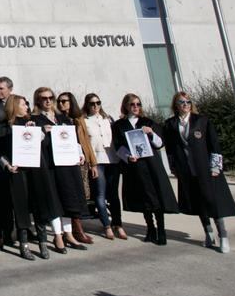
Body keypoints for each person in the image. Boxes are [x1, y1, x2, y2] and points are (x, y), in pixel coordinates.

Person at [163, 91, 235, 253]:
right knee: (198, 203)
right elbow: (170, 149)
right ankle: (208, 233)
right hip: (186, 169)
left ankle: (223, 235)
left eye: (188, 102)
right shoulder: (170, 124)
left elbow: (214, 145)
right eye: (182, 102)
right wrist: (173, 167)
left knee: (213, 202)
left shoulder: (202, 121)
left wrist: (215, 166)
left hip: (205, 169)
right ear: (176, 105)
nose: (185, 105)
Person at [114, 93, 179, 245]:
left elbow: (159, 143)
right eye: (132, 104)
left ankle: (161, 230)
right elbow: (118, 146)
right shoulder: (119, 125)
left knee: (156, 197)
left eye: (138, 104)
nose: (136, 107)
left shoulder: (148, 122)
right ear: (126, 106)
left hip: (151, 165)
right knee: (143, 197)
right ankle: (150, 228)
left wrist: (150, 132)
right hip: (134, 166)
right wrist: (127, 156)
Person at [30, 87, 88, 251]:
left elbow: (73, 138)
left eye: (50, 97)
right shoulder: (35, 119)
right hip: (51, 166)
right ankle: (57, 235)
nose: (48, 101)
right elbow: (32, 143)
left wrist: (79, 153)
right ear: (38, 101)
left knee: (69, 199)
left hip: (67, 165)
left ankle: (69, 234)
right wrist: (42, 131)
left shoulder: (63, 118)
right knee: (55, 200)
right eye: (43, 98)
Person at [0, 95, 41, 260]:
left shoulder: (31, 124)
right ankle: (23, 244)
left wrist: (35, 132)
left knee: (37, 205)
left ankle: (42, 242)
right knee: (20, 209)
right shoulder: (2, 128)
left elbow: (42, 144)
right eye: (23, 104)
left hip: (34, 171)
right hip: (17, 172)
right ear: (15, 106)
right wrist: (7, 164)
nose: (27, 107)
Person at [83, 93, 127, 240]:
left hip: (112, 159)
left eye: (98, 103)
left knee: (114, 194)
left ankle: (118, 224)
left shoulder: (108, 120)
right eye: (92, 103)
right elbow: (86, 144)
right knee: (100, 195)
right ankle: (106, 225)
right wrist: (91, 163)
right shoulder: (84, 121)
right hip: (97, 160)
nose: (95, 106)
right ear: (87, 105)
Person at [57, 91, 98, 245]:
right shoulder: (57, 119)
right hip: (65, 162)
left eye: (65, 101)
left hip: (80, 161)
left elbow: (85, 141)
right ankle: (76, 230)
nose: (62, 104)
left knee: (80, 195)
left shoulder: (77, 120)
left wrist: (92, 162)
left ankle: (77, 227)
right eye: (60, 101)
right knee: (70, 195)